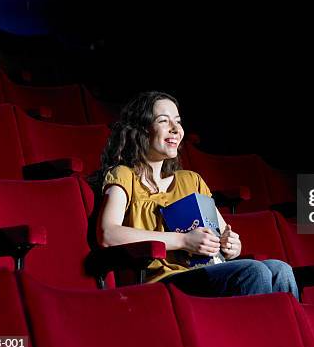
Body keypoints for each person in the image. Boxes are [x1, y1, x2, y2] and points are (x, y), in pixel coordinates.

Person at [95, 91, 298, 298]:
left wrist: (231, 245)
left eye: (178, 121)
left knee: (281, 270)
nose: (175, 129)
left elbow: (221, 234)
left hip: (202, 272)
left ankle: (287, 331)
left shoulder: (191, 181)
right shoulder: (124, 175)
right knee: (253, 272)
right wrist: (183, 240)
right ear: (141, 130)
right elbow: (108, 235)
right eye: (164, 121)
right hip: (159, 280)